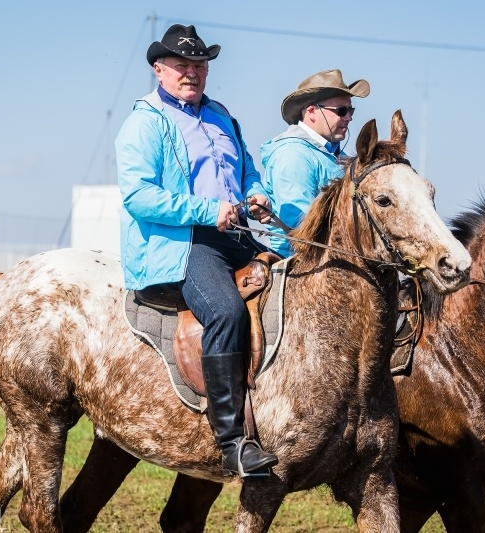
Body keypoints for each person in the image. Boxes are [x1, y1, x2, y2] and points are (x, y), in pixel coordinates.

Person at [115, 24, 278, 477]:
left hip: (236, 234)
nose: (191, 72)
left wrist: (258, 194)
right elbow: (139, 196)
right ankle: (232, 443)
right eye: (181, 65)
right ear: (159, 69)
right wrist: (208, 211)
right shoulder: (144, 123)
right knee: (226, 312)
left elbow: (247, 173)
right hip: (183, 243)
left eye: (199, 65)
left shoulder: (222, 115)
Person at [261, 69, 370, 257]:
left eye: (350, 110)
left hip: (335, 259)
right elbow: (300, 224)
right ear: (311, 112)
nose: (349, 117)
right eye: (341, 111)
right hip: (298, 261)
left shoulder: (335, 154)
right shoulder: (293, 154)